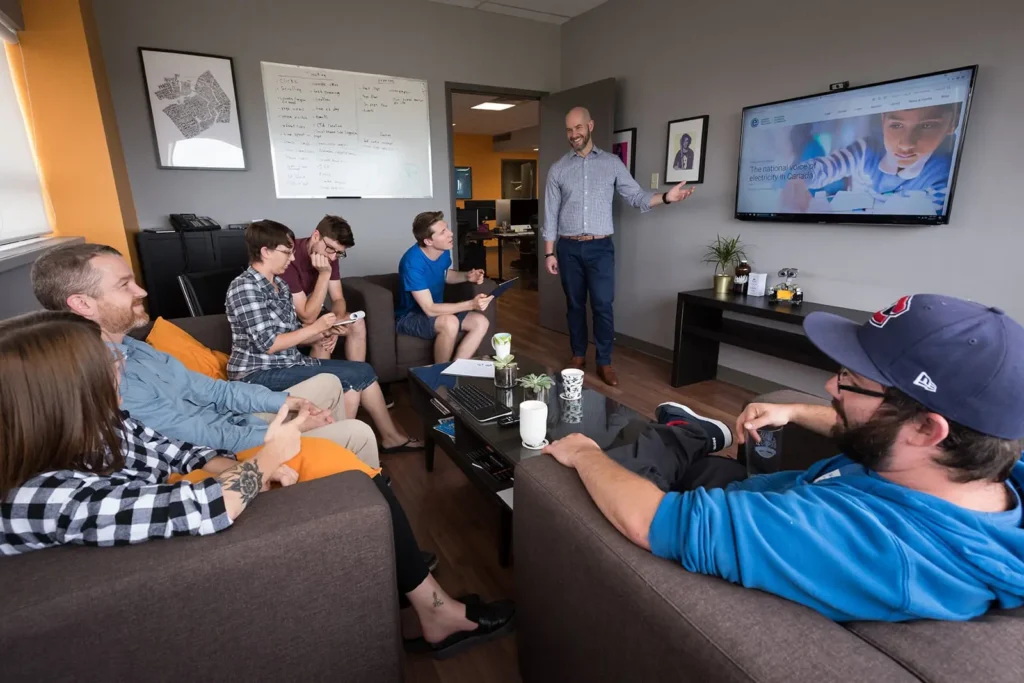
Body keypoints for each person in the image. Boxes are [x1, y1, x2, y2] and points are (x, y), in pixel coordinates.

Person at [0, 311, 516, 658]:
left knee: (336, 460)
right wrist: (269, 455)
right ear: (63, 392)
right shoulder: (40, 495)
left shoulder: (102, 425)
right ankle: (437, 612)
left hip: (194, 498)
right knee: (341, 465)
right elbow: (198, 508)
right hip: (175, 562)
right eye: (108, 363)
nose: (119, 365)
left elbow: (186, 453)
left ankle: (415, 586)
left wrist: (247, 467)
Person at [542, 293, 1024, 622]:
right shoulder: (979, 473)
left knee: (624, 457)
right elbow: (879, 433)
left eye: (851, 381)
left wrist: (584, 453)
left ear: (926, 428)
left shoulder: (859, 541)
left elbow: (650, 522)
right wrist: (792, 410)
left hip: (728, 513)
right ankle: (687, 435)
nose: (831, 386)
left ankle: (686, 433)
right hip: (754, 487)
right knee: (656, 444)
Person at [30, 242, 380, 469]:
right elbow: (197, 435)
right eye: (125, 285)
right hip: (228, 449)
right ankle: (363, 495)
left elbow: (215, 392)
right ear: (81, 303)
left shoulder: (134, 347)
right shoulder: (105, 373)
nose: (142, 290)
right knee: (358, 432)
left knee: (328, 383)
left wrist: (287, 405)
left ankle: (338, 484)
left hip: (236, 421)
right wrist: (284, 431)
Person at [225, 220, 422, 454]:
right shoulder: (244, 288)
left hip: (288, 362)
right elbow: (270, 344)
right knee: (355, 376)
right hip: (257, 373)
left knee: (362, 372)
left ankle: (379, 440)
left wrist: (323, 332)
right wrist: (315, 328)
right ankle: (345, 450)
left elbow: (290, 333)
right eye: (286, 253)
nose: (291, 258)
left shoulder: (278, 285)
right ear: (266, 252)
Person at [544, 107, 696, 386]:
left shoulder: (612, 164)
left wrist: (667, 197)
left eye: (578, 127)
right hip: (568, 249)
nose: (573, 134)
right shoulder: (558, 169)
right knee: (574, 304)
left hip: (600, 248)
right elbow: (550, 213)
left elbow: (637, 196)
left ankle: (604, 361)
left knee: (603, 305)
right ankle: (578, 355)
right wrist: (549, 251)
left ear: (590, 125)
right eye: (569, 129)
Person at [781, 104, 960, 216]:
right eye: (896, 125)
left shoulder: (944, 174)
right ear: (883, 121)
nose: (906, 144)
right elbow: (824, 167)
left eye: (927, 126)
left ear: (951, 125)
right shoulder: (866, 150)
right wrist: (797, 178)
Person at [395, 211, 493, 364]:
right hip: (410, 316)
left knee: (481, 322)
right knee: (450, 322)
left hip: (437, 311)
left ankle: (456, 368)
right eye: (443, 232)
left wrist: (467, 276)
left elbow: (445, 275)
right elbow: (429, 309)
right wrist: (470, 304)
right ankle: (439, 374)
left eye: (447, 228)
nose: (451, 233)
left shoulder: (443, 252)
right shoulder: (412, 263)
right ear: (428, 241)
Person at [281, 215, 366, 363]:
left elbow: (338, 298)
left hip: (310, 313)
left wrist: (336, 322)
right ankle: (325, 385)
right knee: (323, 336)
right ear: (316, 236)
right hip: (287, 320)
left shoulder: (330, 256)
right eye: (330, 248)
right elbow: (307, 316)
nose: (333, 258)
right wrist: (324, 273)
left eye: (339, 252)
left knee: (357, 323)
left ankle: (360, 378)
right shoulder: (289, 258)